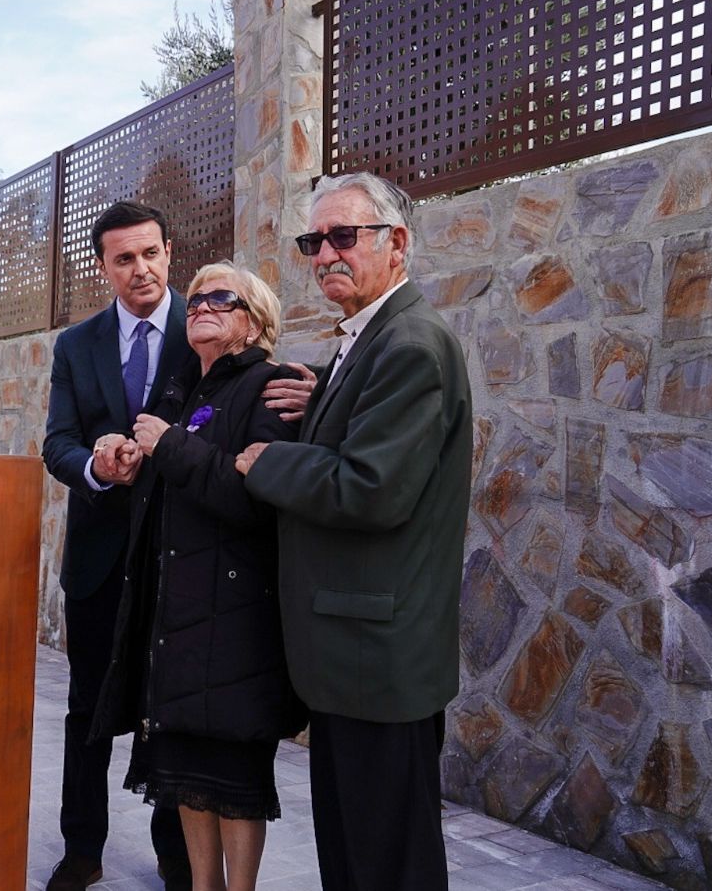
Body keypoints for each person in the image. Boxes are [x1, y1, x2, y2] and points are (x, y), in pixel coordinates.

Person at [234, 172, 472, 891]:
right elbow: (360, 445)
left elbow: (370, 489)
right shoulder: (368, 339)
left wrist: (268, 461)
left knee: (385, 864)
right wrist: (319, 410)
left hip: (378, 662)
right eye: (314, 241)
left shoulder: (408, 344)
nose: (325, 254)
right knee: (355, 855)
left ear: (396, 243)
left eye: (344, 236)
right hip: (353, 660)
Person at [90, 262, 306, 891]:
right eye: (199, 297)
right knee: (184, 777)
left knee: (235, 782)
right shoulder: (184, 390)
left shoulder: (271, 387)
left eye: (222, 298)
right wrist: (126, 455)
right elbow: (168, 491)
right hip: (177, 618)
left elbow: (252, 499)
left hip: (238, 624)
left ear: (254, 321)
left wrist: (170, 449)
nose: (203, 305)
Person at [42, 201, 194, 891]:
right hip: (99, 562)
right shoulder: (77, 345)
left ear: (170, 252)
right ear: (102, 266)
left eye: (151, 253)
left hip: (180, 554)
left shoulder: (207, 326)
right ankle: (83, 849)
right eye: (125, 258)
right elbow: (57, 445)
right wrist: (96, 466)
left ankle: (176, 850)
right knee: (88, 712)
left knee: (175, 707)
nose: (142, 269)